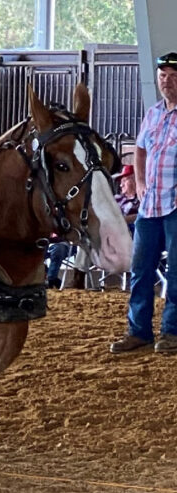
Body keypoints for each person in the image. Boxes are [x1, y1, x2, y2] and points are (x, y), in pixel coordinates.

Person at [111, 52, 177, 355]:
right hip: (150, 205)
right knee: (141, 269)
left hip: (175, 205)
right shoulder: (152, 114)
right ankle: (138, 332)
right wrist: (138, 184)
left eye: (173, 76)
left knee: (176, 271)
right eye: (163, 76)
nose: (167, 81)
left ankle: (171, 332)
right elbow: (139, 150)